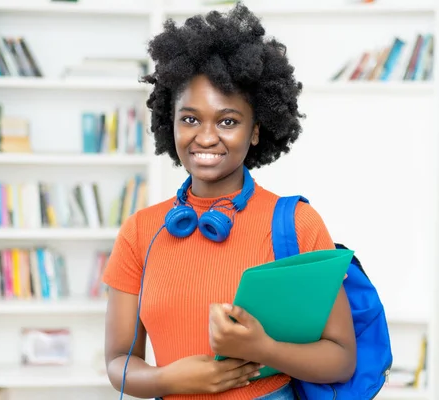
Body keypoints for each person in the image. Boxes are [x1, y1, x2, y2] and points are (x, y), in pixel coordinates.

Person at [102, 3, 356, 400]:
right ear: (170, 123)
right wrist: (169, 380)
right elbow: (118, 360)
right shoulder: (141, 231)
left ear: (256, 130)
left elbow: (340, 358)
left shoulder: (296, 223)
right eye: (189, 119)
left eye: (227, 121)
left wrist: (262, 349)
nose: (205, 137)